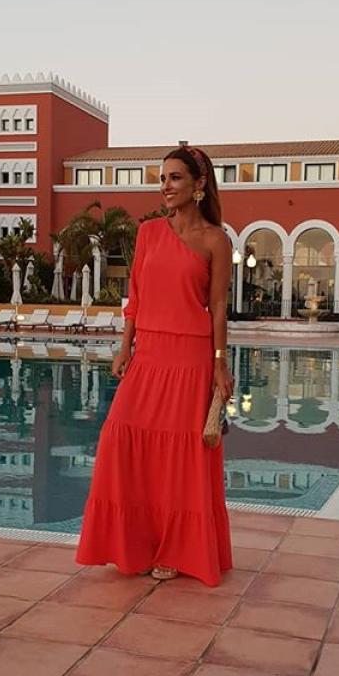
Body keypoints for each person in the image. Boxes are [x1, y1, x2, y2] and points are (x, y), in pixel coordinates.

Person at [76, 145, 234, 585]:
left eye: (175, 177)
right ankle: (137, 544)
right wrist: (125, 347)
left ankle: (173, 550)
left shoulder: (216, 240)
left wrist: (220, 364)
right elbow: (137, 298)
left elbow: (218, 307)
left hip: (191, 358)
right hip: (149, 355)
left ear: (199, 184)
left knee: (179, 459)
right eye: (163, 178)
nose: (165, 185)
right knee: (119, 437)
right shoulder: (148, 234)